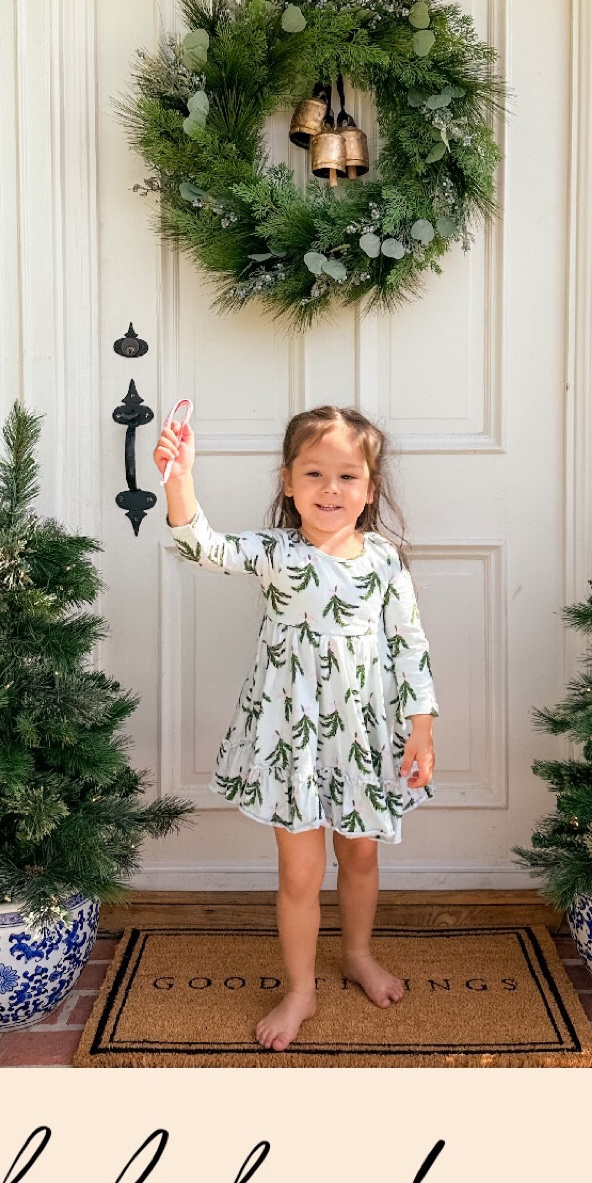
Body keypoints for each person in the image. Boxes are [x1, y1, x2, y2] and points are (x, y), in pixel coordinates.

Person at [154, 403, 438, 1052]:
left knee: (360, 853)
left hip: (364, 741)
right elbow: (203, 545)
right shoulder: (275, 551)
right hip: (292, 745)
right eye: (314, 473)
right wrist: (179, 477)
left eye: (346, 476)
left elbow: (409, 645)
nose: (330, 489)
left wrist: (421, 726)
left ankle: (359, 953)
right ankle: (300, 988)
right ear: (288, 481)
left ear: (369, 488)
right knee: (300, 871)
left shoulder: (385, 562)